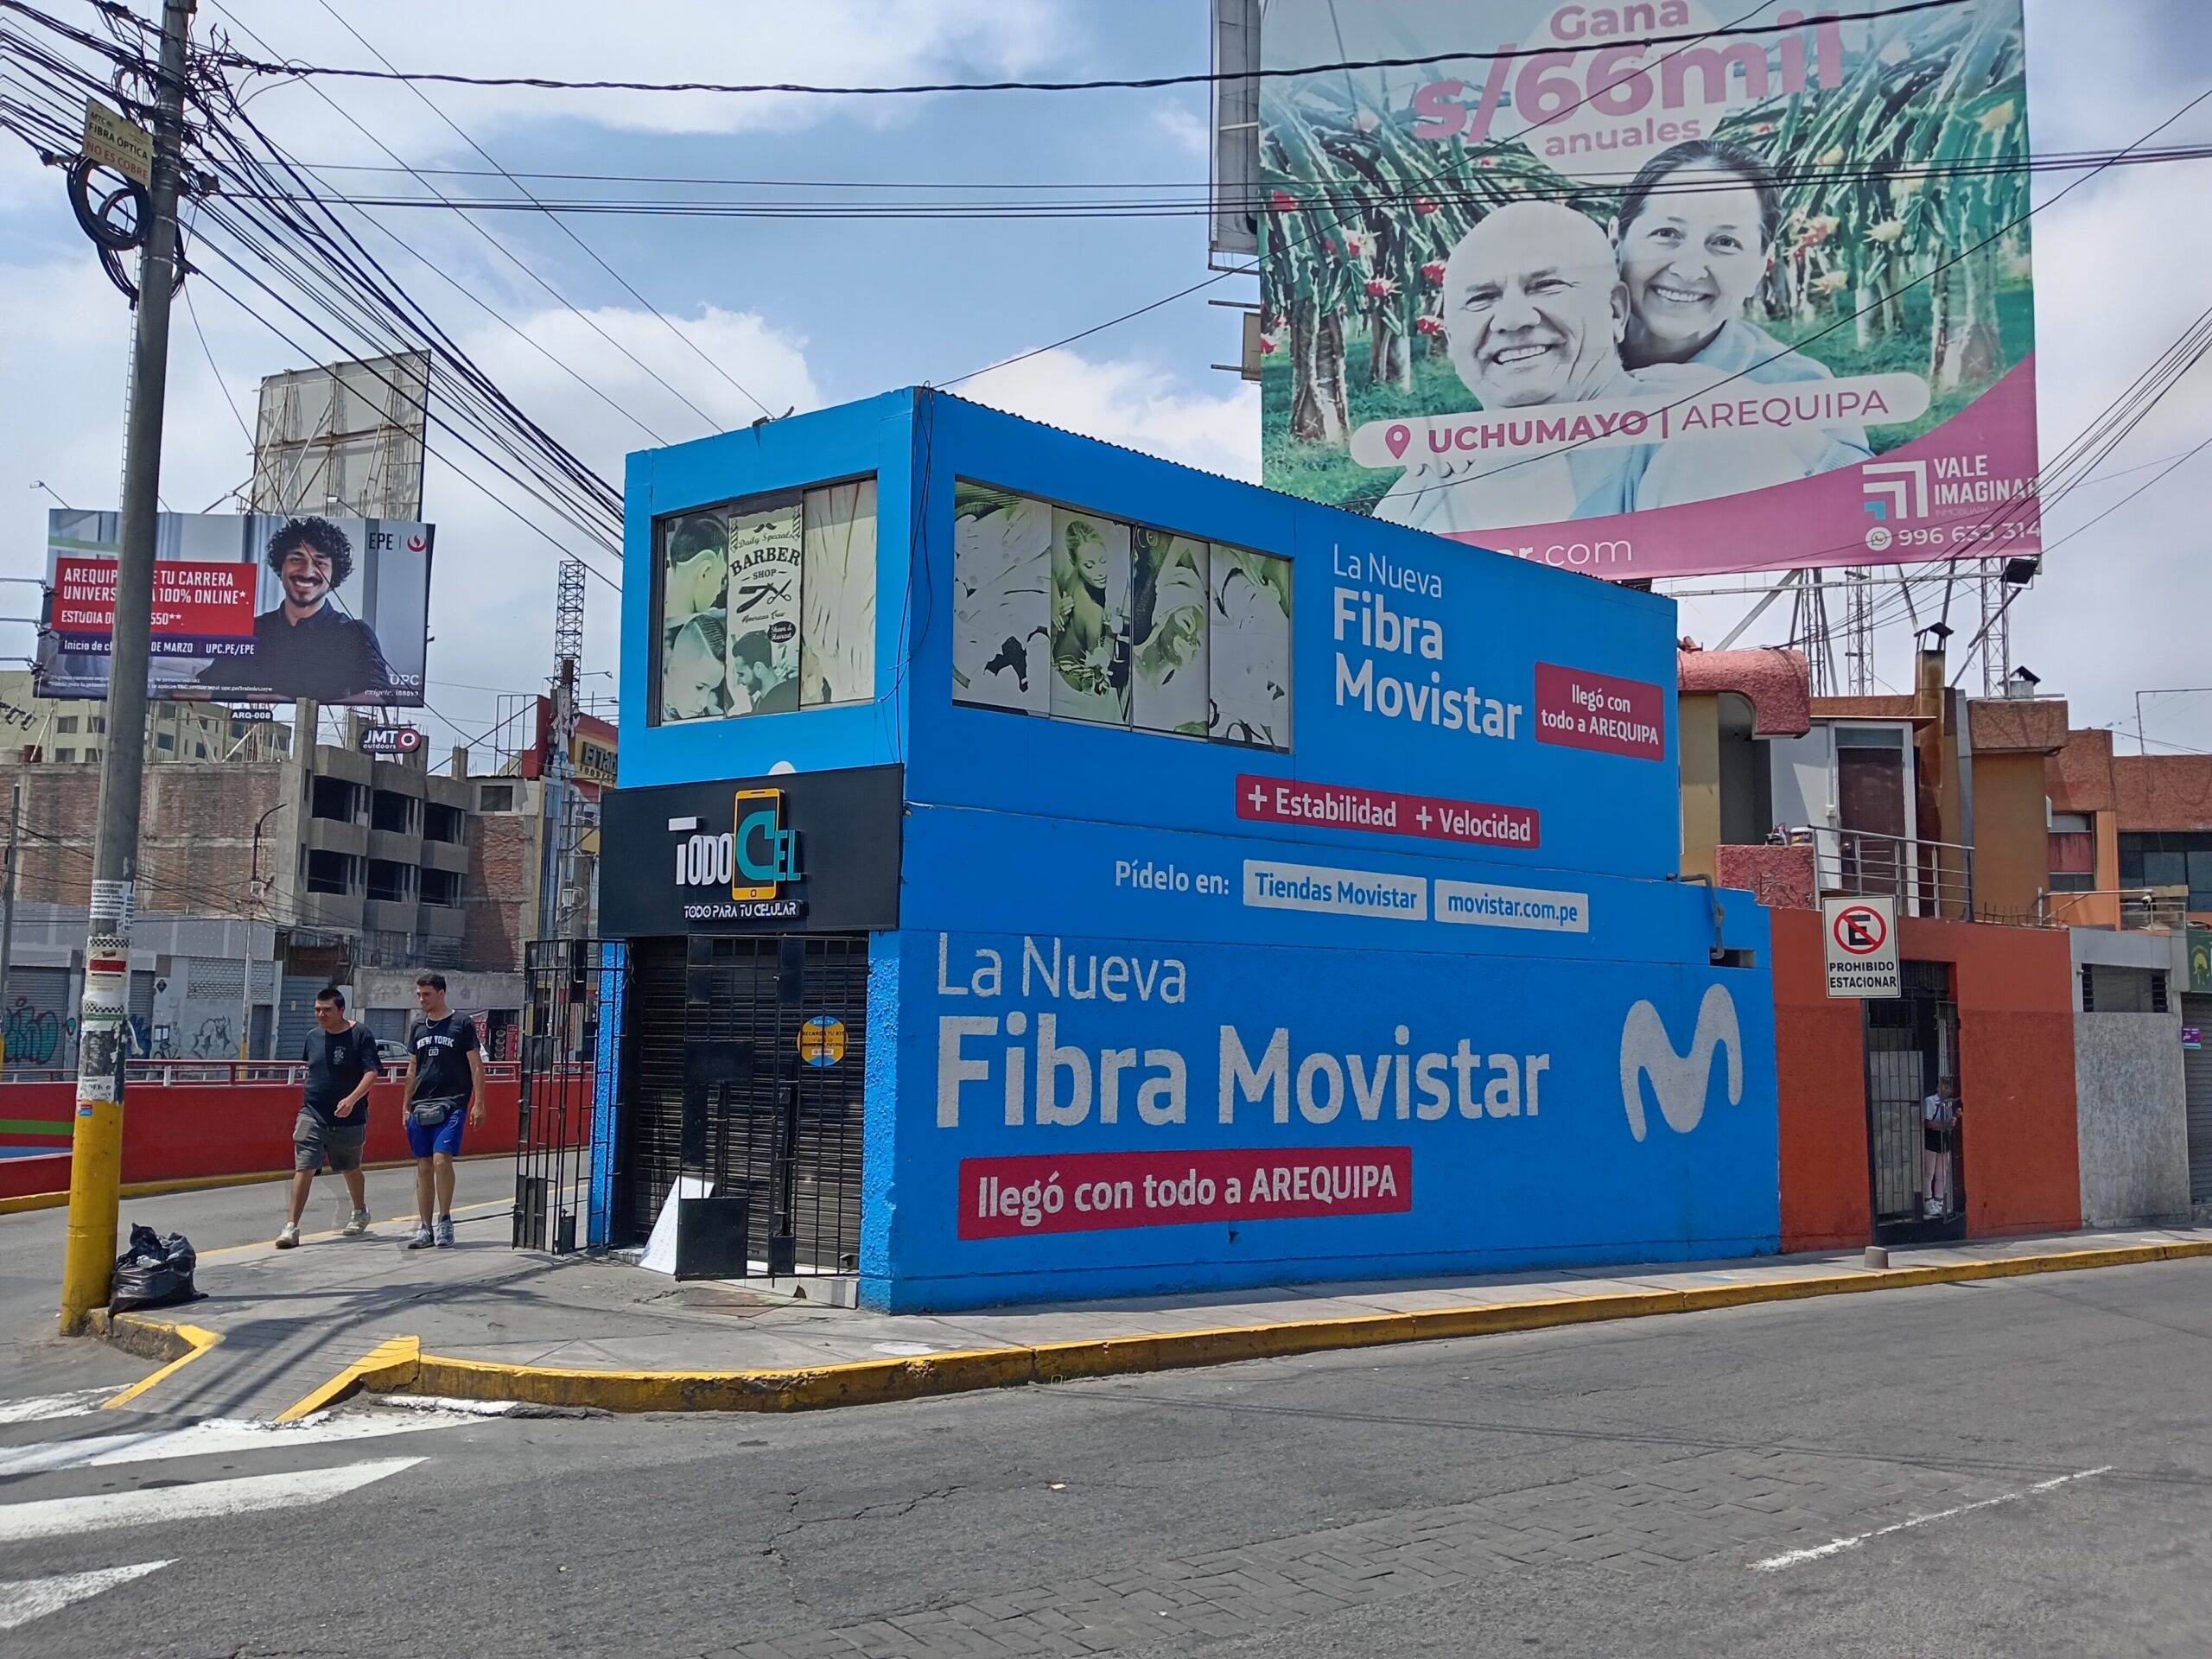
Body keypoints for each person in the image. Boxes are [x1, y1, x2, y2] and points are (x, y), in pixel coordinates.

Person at [1374, 201, 1805, 536]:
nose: (1511, 319)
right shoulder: (1418, 494)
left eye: (1546, 285)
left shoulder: (1699, 433)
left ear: (1615, 311)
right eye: (1481, 298)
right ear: (1450, 337)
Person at [1613, 138, 1872, 475]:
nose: (1689, 271)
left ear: (1762, 265)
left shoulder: (1794, 383)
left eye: (1725, 243)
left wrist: (1753, 412)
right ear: (1616, 241)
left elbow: (1866, 501)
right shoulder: (1555, 351)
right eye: (1667, 233)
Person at [198, 516, 395, 702]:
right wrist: (253, 697)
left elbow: (380, 693)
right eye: (296, 559)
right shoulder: (252, 630)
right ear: (281, 566)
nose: (307, 572)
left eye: (320, 563)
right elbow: (206, 685)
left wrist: (309, 709)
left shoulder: (354, 633)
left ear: (334, 574)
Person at [276, 985, 381, 1249]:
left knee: (350, 1167)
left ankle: (359, 1211)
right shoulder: (312, 1037)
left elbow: (371, 1072)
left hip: (349, 1116)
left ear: (341, 1010)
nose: (321, 1014)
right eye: (317, 1010)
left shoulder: (360, 1035)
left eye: (327, 1010)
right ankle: (291, 1227)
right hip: (312, 1112)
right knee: (305, 1166)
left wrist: (351, 1099)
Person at [401, 970, 486, 1249]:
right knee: (423, 1165)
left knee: (441, 1159)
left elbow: (476, 1065)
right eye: (419, 995)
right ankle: (425, 1228)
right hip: (421, 1105)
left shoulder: (461, 1024)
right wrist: (406, 1105)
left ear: (441, 993)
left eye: (426, 994)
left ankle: (445, 1219)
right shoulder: (417, 1027)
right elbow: (413, 1068)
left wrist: (479, 1102)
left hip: (453, 1103)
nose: (422, 999)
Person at [1923, 1077, 1961, 1217]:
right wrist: (1944, 1125)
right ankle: (1928, 1201)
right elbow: (1927, 1123)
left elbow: (1952, 1122)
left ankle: (1939, 1202)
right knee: (1929, 1172)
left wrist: (1955, 1119)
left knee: (1941, 1173)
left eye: (1947, 1087)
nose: (1944, 1090)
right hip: (1932, 1138)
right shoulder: (1930, 1101)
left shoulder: (1950, 1104)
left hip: (1945, 1139)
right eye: (1941, 1086)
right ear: (1938, 1088)